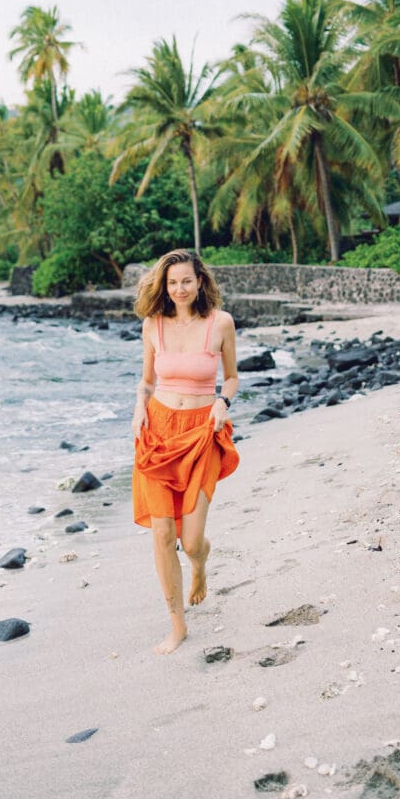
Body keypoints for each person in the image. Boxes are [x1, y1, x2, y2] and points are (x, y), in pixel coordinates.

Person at [131, 249, 239, 654]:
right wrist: (139, 405)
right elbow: (145, 381)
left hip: (201, 432)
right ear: (165, 285)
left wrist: (221, 403)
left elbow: (231, 378)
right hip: (157, 432)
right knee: (162, 534)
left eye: (186, 281)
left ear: (200, 282)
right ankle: (177, 625)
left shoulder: (220, 323)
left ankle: (199, 565)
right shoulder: (152, 325)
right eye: (173, 282)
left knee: (190, 541)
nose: (179, 289)